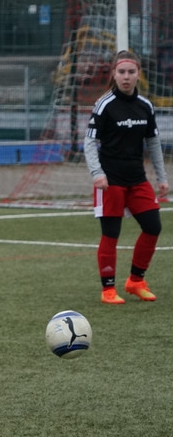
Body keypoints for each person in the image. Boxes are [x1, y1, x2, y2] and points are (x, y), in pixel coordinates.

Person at [84, 49, 168, 304]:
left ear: (138, 75)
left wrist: (162, 177)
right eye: (121, 72)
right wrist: (97, 174)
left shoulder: (145, 106)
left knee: (153, 227)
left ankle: (136, 281)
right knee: (111, 233)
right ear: (114, 74)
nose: (126, 77)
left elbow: (153, 143)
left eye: (131, 72)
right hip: (110, 181)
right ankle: (107, 289)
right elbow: (89, 142)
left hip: (137, 179)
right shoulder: (104, 105)